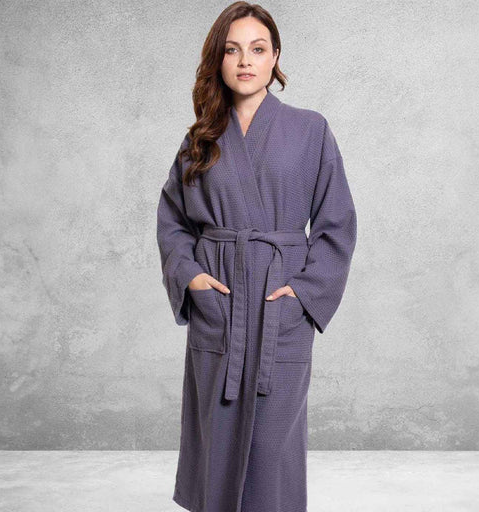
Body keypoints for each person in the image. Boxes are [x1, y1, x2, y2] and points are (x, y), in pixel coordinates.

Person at [156, 2, 357, 511]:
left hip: (278, 307)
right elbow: (173, 220)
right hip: (220, 305)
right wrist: (191, 277)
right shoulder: (200, 139)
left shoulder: (311, 130)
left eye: (258, 48)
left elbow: (336, 223)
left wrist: (303, 295)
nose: (245, 60)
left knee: (273, 449)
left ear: (275, 58)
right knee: (216, 439)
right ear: (219, 60)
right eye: (232, 50)